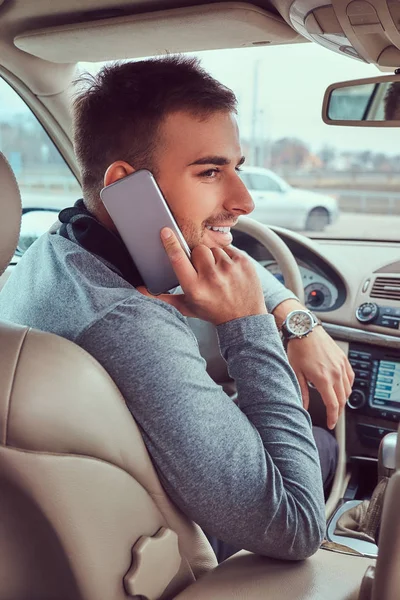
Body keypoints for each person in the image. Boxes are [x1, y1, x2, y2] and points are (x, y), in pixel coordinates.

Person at [0, 56, 354, 562]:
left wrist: (297, 320)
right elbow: (295, 525)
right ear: (123, 183)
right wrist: (246, 324)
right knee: (322, 446)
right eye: (210, 171)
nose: (244, 200)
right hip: (171, 553)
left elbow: (223, 263)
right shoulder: (126, 325)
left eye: (237, 168)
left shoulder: (60, 246)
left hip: (68, 534)